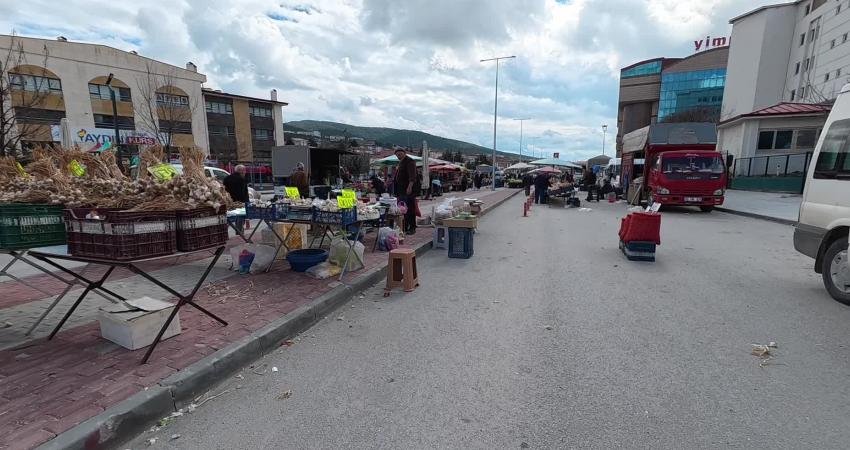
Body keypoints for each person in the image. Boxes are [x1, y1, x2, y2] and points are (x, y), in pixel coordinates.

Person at [393, 148, 419, 235]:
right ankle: (406, 226)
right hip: (401, 190)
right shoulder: (401, 162)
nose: (398, 156)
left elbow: (412, 176)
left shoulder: (410, 161)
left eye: (400, 154)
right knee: (404, 209)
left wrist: (409, 187)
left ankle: (412, 227)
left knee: (410, 208)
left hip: (407, 189)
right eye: (397, 155)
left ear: (404, 153)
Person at [224, 165, 249, 233]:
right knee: (240, 217)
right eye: (244, 171)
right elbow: (243, 193)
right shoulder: (241, 179)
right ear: (241, 171)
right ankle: (239, 232)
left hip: (229, 202)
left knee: (229, 218)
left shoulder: (227, 178)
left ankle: (225, 231)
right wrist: (246, 202)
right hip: (239, 203)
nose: (245, 172)